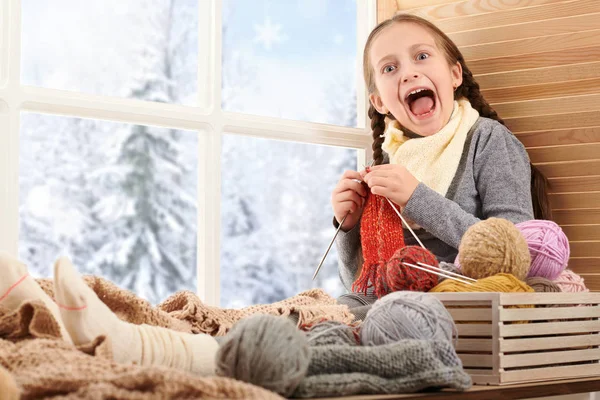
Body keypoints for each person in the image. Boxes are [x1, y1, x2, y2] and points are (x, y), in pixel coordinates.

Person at [332, 14, 550, 303]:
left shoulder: (487, 140)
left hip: (460, 304)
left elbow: (518, 254)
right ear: (379, 102)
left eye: (421, 56)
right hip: (388, 307)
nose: (408, 73)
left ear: (454, 75)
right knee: (312, 318)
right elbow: (359, 288)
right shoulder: (388, 161)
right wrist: (347, 226)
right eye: (389, 67)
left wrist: (417, 199)